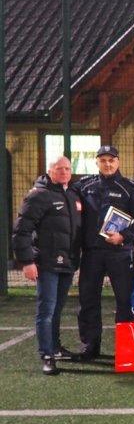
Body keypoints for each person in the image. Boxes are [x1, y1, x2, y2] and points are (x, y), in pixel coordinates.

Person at [72, 145, 134, 360]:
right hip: (92, 253)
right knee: (88, 300)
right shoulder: (84, 186)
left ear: (118, 162)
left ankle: (126, 348)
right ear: (96, 162)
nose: (107, 164)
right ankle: (90, 346)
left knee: (125, 300)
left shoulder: (129, 188)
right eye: (103, 160)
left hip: (120, 253)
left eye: (111, 160)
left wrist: (124, 236)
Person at [12, 156, 82, 375]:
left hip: (67, 263)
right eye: (59, 168)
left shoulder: (72, 194)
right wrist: (27, 261)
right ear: (50, 171)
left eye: (67, 168)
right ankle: (47, 355)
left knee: (57, 310)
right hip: (46, 264)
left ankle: (56, 348)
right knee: (46, 310)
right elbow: (21, 231)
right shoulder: (38, 195)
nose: (64, 172)